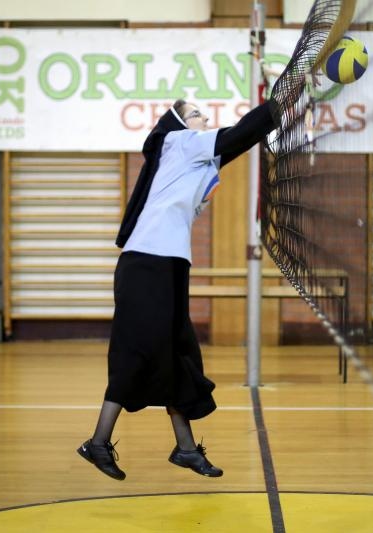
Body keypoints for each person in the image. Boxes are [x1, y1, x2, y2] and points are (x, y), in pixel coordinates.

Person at [77, 99, 276, 480]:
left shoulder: (199, 159)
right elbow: (238, 134)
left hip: (169, 264)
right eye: (198, 113)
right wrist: (278, 102)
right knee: (137, 353)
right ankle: (98, 442)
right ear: (180, 122)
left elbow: (239, 142)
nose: (205, 118)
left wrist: (278, 115)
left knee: (178, 354)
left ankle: (185, 448)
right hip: (144, 263)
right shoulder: (182, 142)